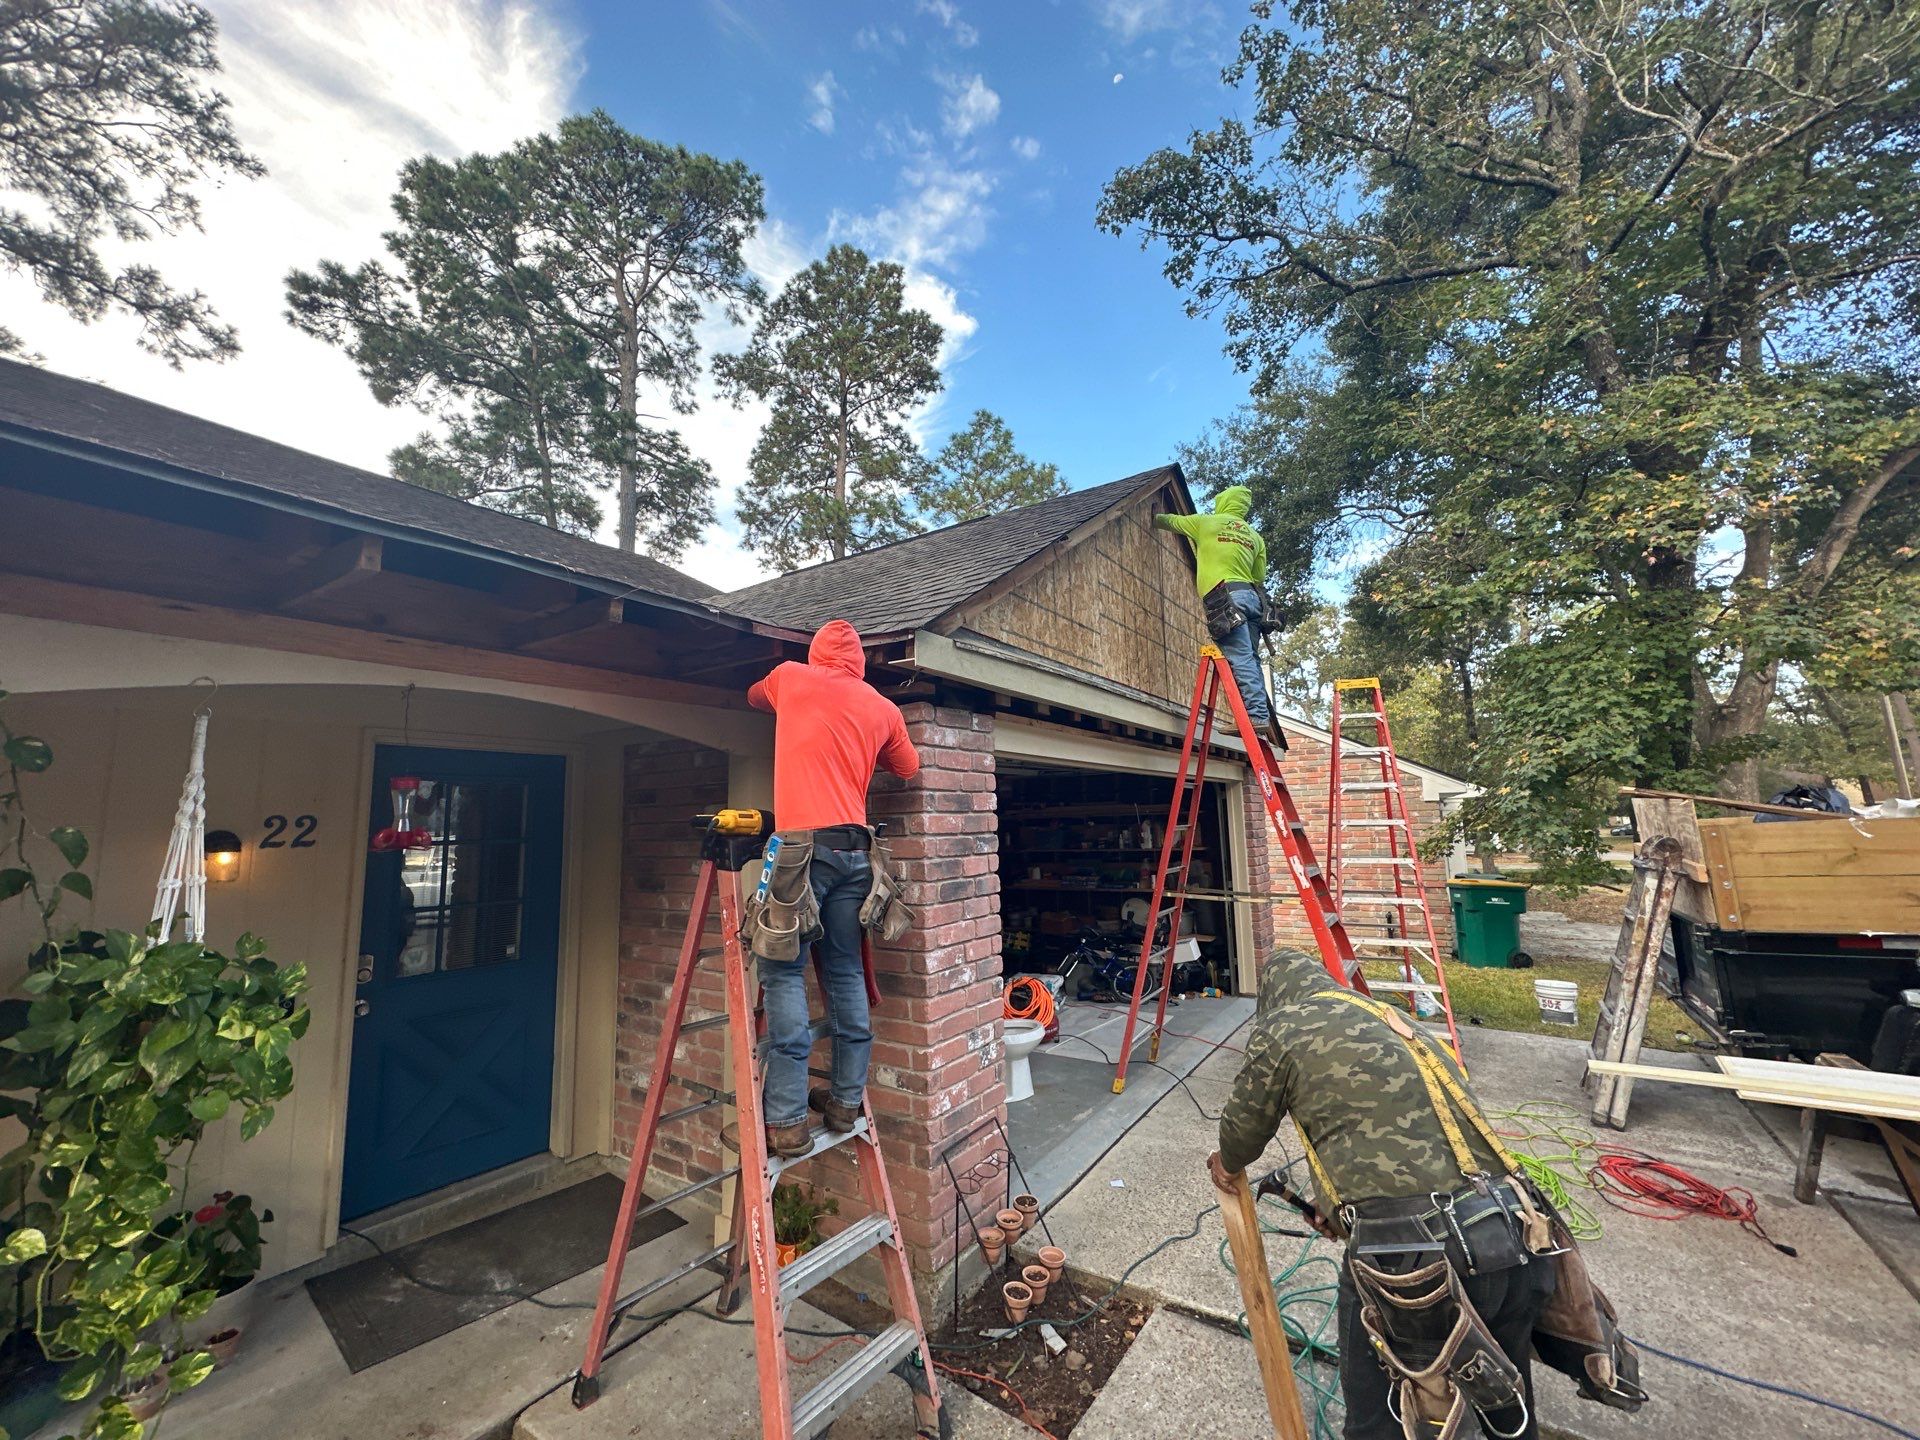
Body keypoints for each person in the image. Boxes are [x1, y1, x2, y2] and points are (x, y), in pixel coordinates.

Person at [1209, 950, 1563, 1440]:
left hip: (1413, 1263)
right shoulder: (1389, 1017)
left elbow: (1242, 1132)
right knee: (1507, 1411)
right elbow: (1401, 1130)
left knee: (1380, 1422)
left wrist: (1226, 1166)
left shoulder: (1282, 1026)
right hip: (1514, 1227)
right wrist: (1335, 1209)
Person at [747, 620, 919, 1158]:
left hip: (801, 852)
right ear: (861, 664)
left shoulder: (791, 677)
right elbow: (908, 767)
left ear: (817, 653)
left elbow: (753, 696)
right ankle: (844, 1103)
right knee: (844, 971)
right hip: (857, 857)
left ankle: (787, 1120)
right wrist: (867, 736)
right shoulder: (882, 708)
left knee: (782, 971)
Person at [1153, 485, 1284, 748]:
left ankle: (1256, 716)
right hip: (1252, 599)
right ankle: (1258, 713)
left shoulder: (1206, 523)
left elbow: (1171, 522)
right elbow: (1259, 576)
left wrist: (1155, 514)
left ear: (1223, 502)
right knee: (1251, 658)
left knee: (1241, 657)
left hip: (1226, 598)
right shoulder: (1254, 537)